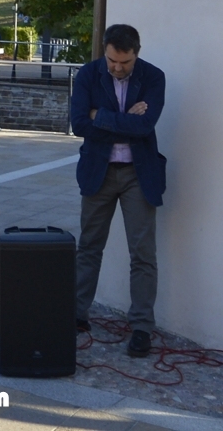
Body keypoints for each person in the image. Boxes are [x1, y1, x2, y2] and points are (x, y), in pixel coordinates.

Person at [71, 24, 166, 358]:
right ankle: (78, 314)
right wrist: (124, 117)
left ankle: (141, 328)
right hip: (99, 171)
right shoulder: (88, 74)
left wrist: (104, 117)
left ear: (136, 53)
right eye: (112, 60)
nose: (117, 68)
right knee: (89, 246)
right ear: (105, 50)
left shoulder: (153, 78)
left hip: (138, 175)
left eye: (124, 62)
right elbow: (79, 123)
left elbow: (145, 126)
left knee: (142, 254)